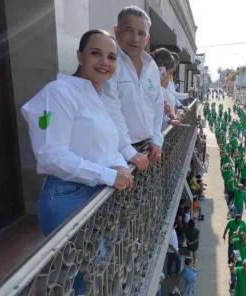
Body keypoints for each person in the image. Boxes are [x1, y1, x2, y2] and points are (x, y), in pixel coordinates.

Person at [21, 30, 134, 237]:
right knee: (79, 268)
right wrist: (109, 175)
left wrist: (119, 164)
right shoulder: (59, 92)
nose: (104, 62)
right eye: (95, 53)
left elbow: (107, 143)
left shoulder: (97, 97)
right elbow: (50, 155)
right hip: (68, 196)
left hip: (96, 191)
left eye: (111, 57)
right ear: (80, 56)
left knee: (98, 265)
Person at [103, 6, 165, 169]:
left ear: (147, 38)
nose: (135, 38)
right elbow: (111, 110)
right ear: (116, 31)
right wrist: (128, 151)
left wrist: (156, 140)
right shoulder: (109, 63)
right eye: (128, 30)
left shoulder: (151, 66)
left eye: (141, 33)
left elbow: (158, 105)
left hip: (147, 150)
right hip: (118, 155)